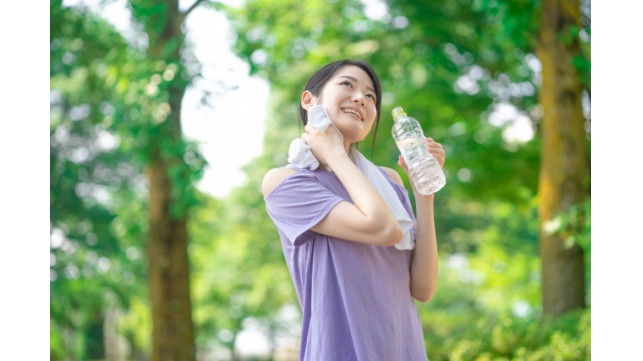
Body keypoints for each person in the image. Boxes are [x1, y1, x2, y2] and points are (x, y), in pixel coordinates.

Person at [262, 59, 446, 361]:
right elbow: (383, 229)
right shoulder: (287, 183)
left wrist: (422, 192)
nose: (361, 98)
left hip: (404, 349)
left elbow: (423, 287)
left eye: (370, 96)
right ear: (309, 100)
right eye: (347, 85)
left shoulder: (388, 181)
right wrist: (334, 153)